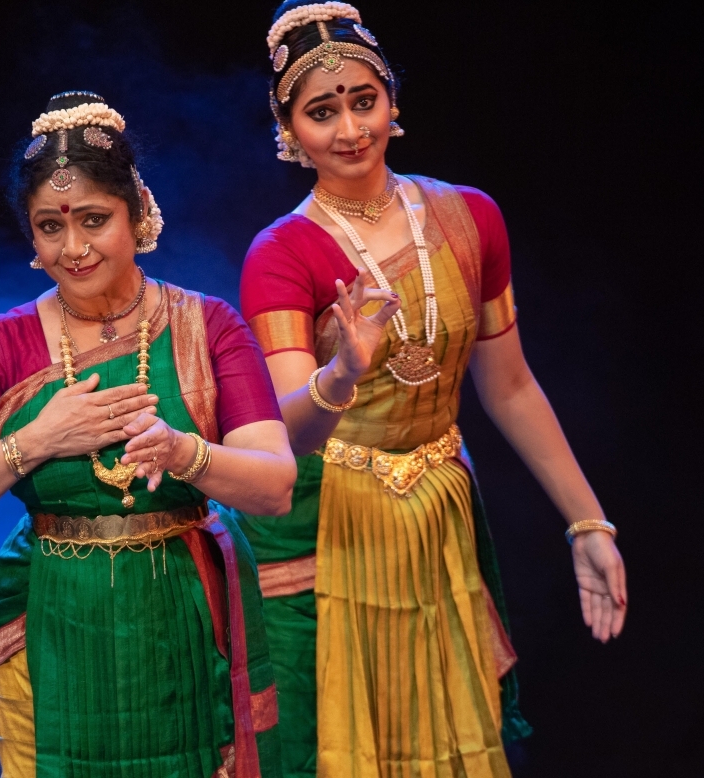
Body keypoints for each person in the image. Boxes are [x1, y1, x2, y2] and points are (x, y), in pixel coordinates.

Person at [235, 3, 629, 776]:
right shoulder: (281, 254)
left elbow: (510, 388)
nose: (350, 129)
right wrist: (342, 373)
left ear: (392, 102)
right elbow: (287, 429)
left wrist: (589, 525)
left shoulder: (468, 217)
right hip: (326, 531)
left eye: (363, 101)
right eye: (322, 113)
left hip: (439, 516)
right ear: (288, 131)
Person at [0, 91, 295, 778]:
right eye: (50, 226)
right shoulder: (0, 346)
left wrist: (183, 452)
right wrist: (38, 440)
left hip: (184, 623)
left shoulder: (209, 327)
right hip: (62, 626)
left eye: (93, 220)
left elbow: (276, 484)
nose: (73, 247)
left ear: (136, 213)